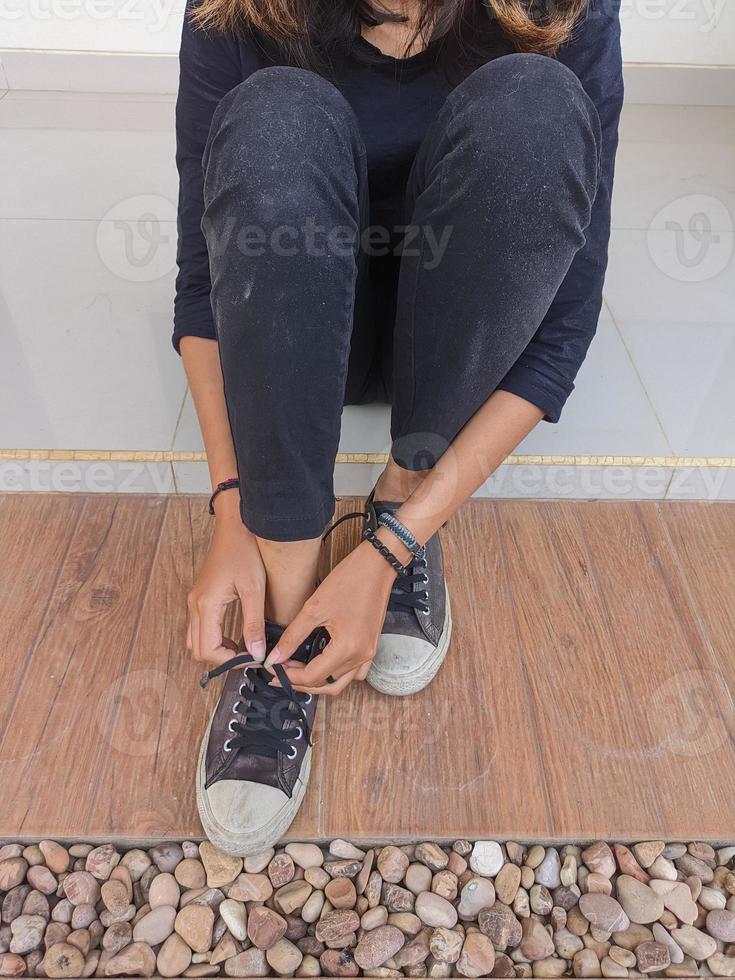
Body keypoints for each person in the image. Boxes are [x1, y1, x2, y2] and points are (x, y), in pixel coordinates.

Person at [176, 0, 623, 854]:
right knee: (277, 114)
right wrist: (236, 509)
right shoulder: (235, 11)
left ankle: (398, 502)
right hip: (302, 317)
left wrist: (394, 545)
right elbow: (204, 283)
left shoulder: (562, 9)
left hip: (460, 336)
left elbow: (562, 320)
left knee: (533, 105)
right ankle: (284, 599)